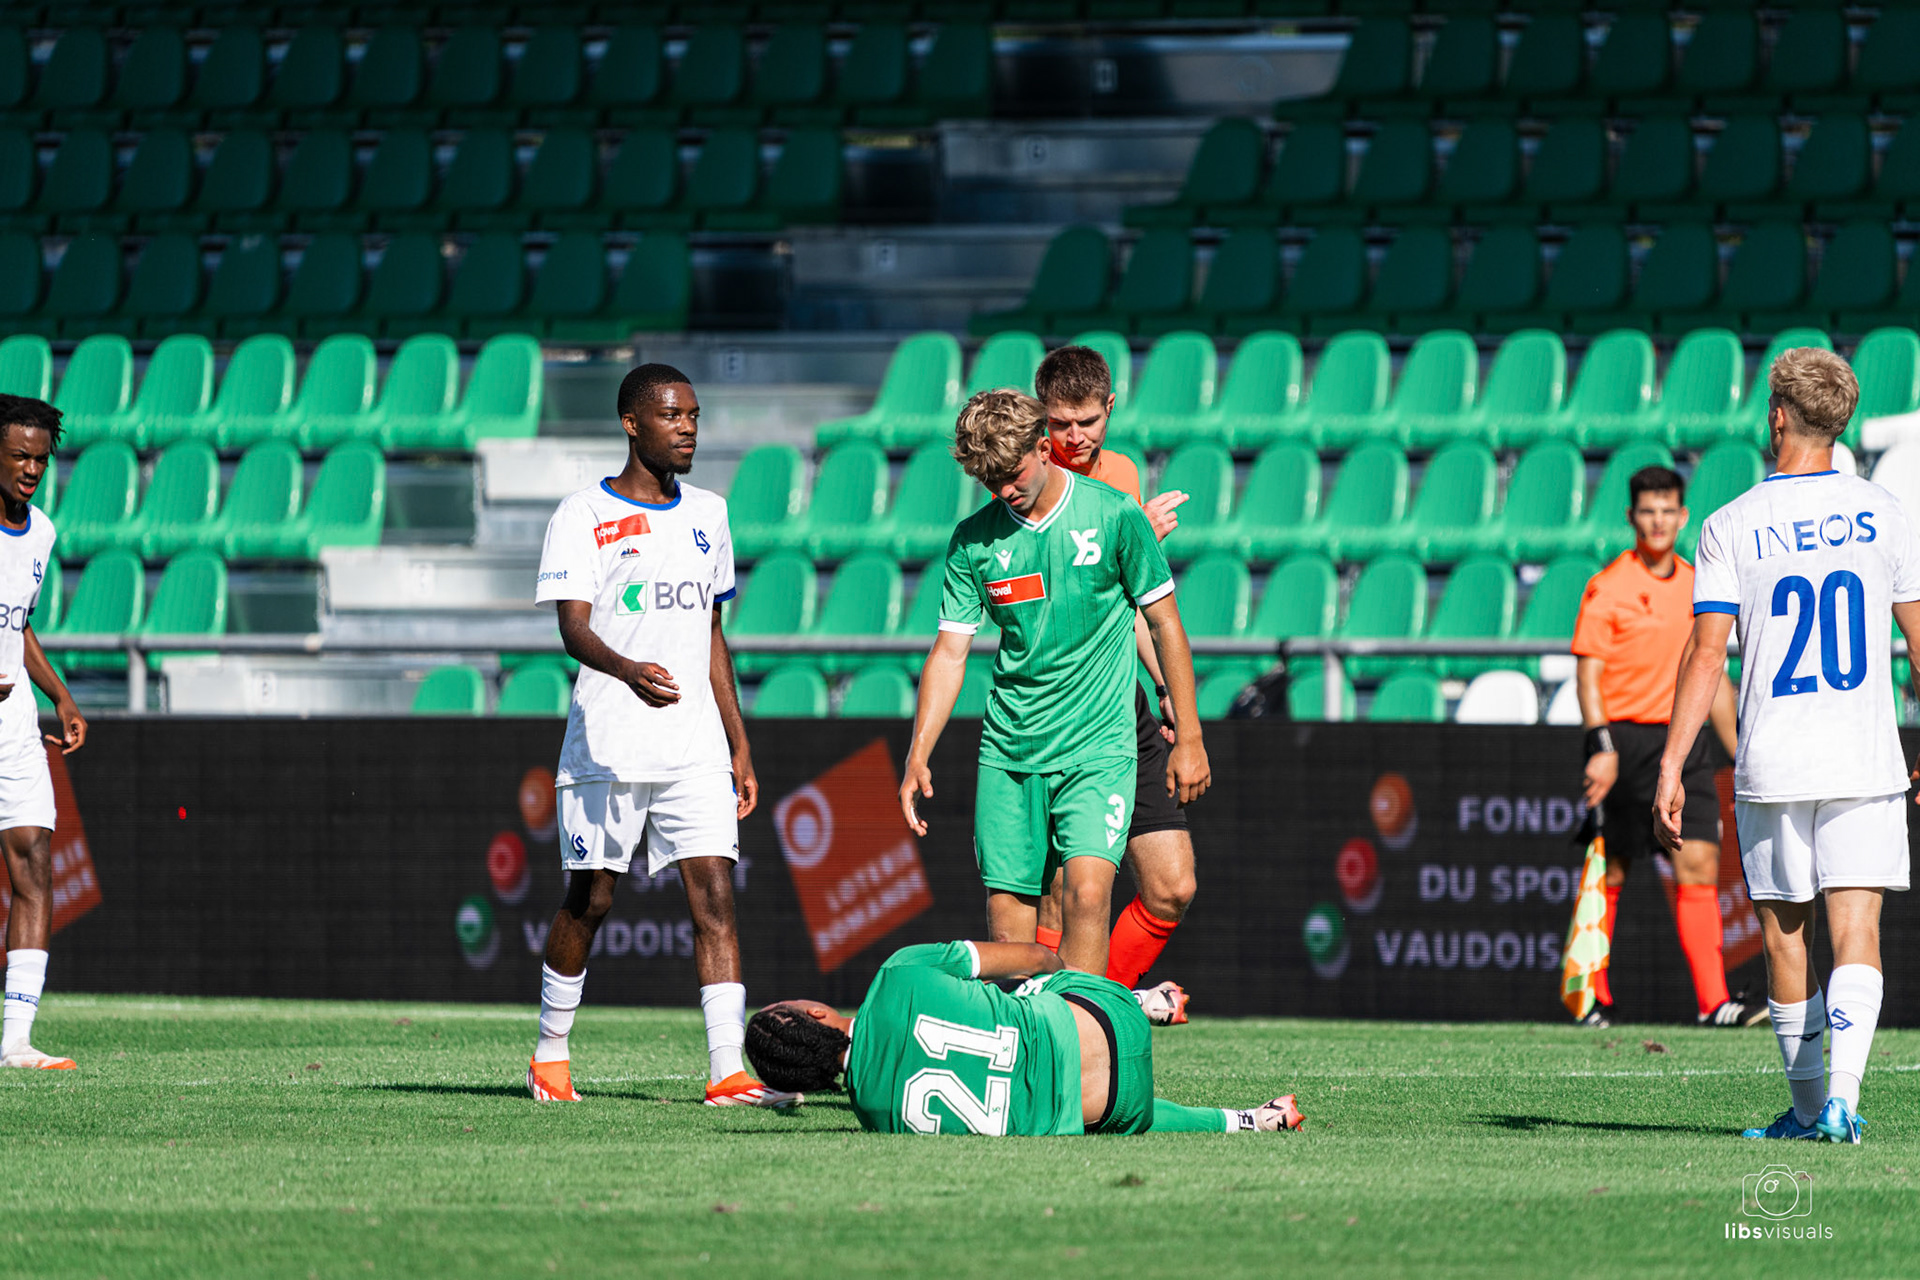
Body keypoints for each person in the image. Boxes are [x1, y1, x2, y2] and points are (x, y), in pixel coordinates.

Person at [1656, 347, 1914, 1145]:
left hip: (1774, 758)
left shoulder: (1730, 524)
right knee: (1858, 931)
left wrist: (1671, 763)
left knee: (1785, 936)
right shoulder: (1888, 512)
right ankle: (1842, 1099)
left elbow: (1707, 656)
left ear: (1775, 417)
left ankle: (1805, 1114)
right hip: (1864, 755)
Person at [527, 364, 792, 1108]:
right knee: (592, 900)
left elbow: (712, 634)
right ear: (632, 423)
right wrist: (625, 668)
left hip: (694, 747)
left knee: (715, 901)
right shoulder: (582, 513)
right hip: (608, 742)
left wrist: (738, 742)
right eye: (674, 415)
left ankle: (727, 1072)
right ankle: (550, 1055)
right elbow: (572, 628)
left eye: (696, 417)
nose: (688, 429)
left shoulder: (710, 511)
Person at [899, 389, 1210, 978]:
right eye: (988, 482)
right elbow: (949, 653)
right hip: (1011, 752)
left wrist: (1189, 736)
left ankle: (1085, 1050)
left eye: (1011, 476)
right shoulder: (973, 541)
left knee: (1088, 896)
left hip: (1100, 747)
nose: (1003, 492)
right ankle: (1024, 1054)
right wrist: (919, 754)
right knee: (1010, 920)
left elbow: (1165, 623)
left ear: (1044, 448)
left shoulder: (1115, 515)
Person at [1030, 346, 1199, 1002]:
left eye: (1086, 422)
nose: (1073, 438)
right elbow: (1046, 602)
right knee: (1061, 898)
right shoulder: (1028, 478)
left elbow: (1136, 609)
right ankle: (1061, 1030)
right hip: (1053, 707)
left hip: (1120, 703)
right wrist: (1134, 537)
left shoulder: (1122, 473)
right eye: (1060, 423)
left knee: (1171, 885)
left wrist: (1167, 695)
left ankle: (1100, 1006)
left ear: (1110, 409)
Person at [744, 940, 1302, 1135]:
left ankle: (1250, 1119)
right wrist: (1055, 981)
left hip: (1119, 1107)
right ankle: (1141, 1000)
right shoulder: (896, 973)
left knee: (1097, 1112)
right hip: (1106, 1016)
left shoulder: (874, 1114)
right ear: (815, 1011)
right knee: (1031, 984)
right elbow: (1035, 956)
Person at [1572, 465, 1756, 1029]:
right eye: (1647, 510)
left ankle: (1713, 1001)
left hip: (1685, 738)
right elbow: (1588, 674)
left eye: (1667, 510)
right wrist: (1600, 744)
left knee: (1699, 862)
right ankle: (1590, 998)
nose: (1657, 520)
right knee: (1616, 869)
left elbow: (1714, 674)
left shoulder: (1702, 582)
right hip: (1625, 740)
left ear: (1683, 517)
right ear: (1632, 517)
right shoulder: (1609, 585)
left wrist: (1741, 750)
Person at [0, 395, 87, 1071]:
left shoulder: (43, 534)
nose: (31, 469)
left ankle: (16, 1041)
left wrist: (59, 694)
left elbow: (17, 624)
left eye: (40, 458)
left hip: (14, 720)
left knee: (32, 857)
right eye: (19, 455)